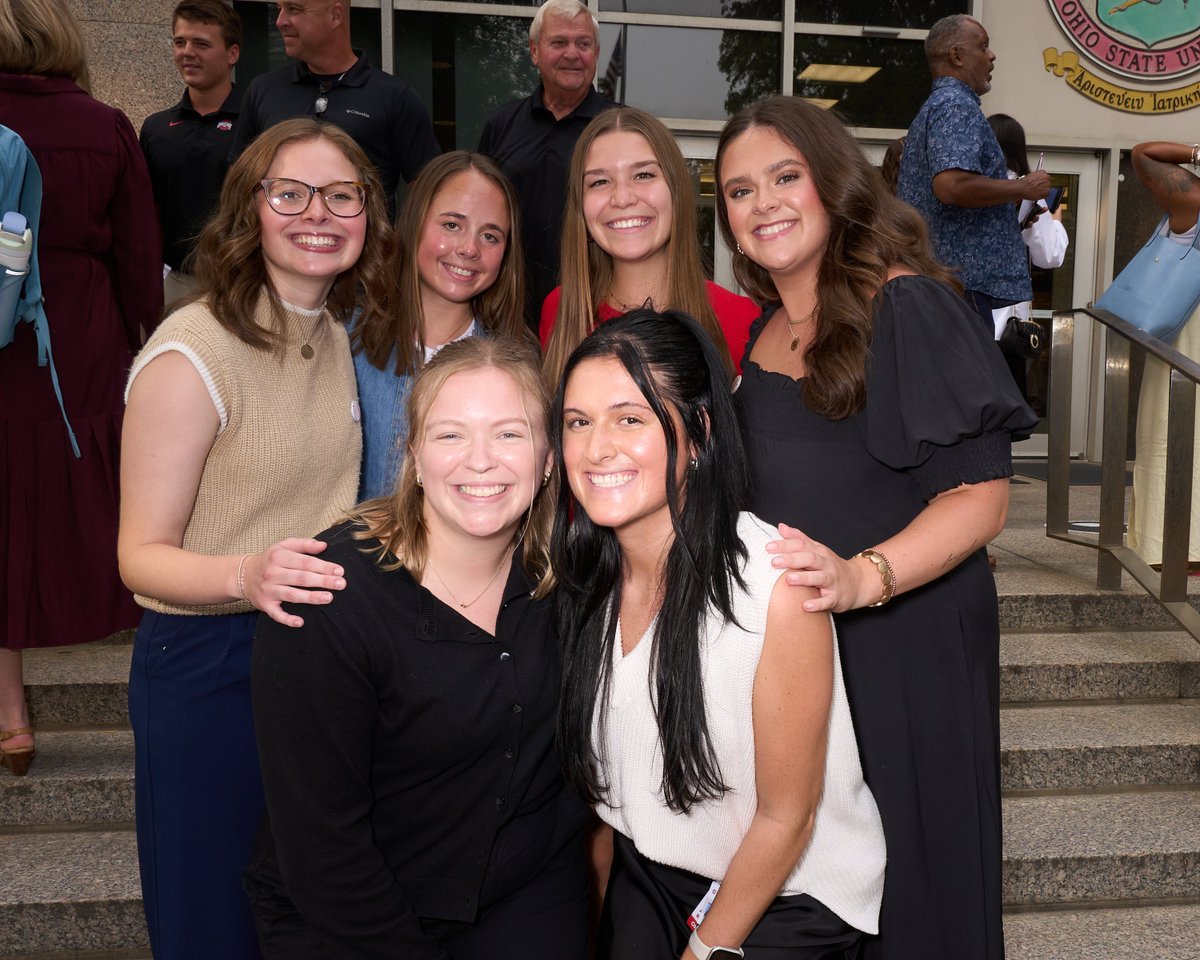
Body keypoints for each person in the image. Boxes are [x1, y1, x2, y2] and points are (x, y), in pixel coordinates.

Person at [715, 95, 1037, 960]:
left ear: (833, 183)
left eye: (786, 177)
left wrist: (864, 577)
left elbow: (981, 495)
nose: (766, 202)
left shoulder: (906, 306)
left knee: (911, 897)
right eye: (740, 190)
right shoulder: (765, 330)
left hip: (905, 645)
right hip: (811, 649)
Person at [119, 118, 392, 959]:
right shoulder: (192, 350)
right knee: (212, 921)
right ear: (252, 210)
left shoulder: (334, 334)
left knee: (294, 913)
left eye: (341, 195)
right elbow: (138, 555)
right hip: (205, 664)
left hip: (306, 659)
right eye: (292, 193)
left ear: (368, 215)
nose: (319, 212)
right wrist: (249, 574)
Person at [553, 310, 886, 959]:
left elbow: (787, 819)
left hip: (787, 894)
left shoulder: (775, 589)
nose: (597, 449)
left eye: (630, 418)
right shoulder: (583, 577)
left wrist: (705, 951)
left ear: (698, 433)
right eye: (577, 422)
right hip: (656, 871)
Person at [245, 335, 590, 960]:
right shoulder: (328, 597)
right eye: (451, 434)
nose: (479, 461)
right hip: (349, 914)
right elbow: (323, 848)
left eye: (510, 434)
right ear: (414, 454)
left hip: (520, 892)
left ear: (548, 460)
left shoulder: (568, 580)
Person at [0, 0, 162, 777]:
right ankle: (148, 683)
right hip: (79, 338)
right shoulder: (105, 127)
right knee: (98, 494)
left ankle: (10, 714)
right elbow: (139, 259)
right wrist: (145, 340)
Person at [353, 150, 526, 501]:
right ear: (416, 221)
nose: (469, 248)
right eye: (452, 225)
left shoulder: (516, 368)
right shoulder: (344, 338)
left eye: (490, 236)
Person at [541, 107, 757, 385]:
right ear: (580, 209)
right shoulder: (560, 311)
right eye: (599, 181)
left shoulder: (743, 321)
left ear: (676, 190)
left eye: (643, 175)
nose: (622, 198)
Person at [896, 14, 1050, 337]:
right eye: (984, 46)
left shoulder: (939, 106)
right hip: (958, 288)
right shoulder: (955, 105)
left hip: (944, 282)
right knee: (966, 386)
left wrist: (1012, 213)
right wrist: (1021, 186)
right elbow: (951, 185)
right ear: (956, 56)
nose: (992, 56)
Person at [478, 0, 615, 329]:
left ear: (596, 55)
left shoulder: (617, 127)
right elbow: (479, 211)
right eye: (559, 42)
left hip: (591, 305)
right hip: (507, 307)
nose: (572, 53)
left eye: (583, 44)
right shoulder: (503, 124)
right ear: (535, 51)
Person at [231, 0, 439, 215]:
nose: (280, 21)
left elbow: (432, 194)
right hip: (279, 245)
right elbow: (238, 186)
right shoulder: (263, 91)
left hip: (364, 247)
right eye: (279, 9)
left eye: (293, 9)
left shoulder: (395, 97)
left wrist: (401, 246)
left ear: (335, 16)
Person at [1126, 140, 1200, 567]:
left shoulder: (1191, 199)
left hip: (1186, 336)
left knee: (1170, 433)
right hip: (1185, 334)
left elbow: (1144, 154)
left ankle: (1167, 548)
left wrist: (1195, 152)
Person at [140, 0, 243, 304]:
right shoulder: (156, 129)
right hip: (178, 283)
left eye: (201, 44)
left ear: (232, 54)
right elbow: (144, 213)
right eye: (180, 42)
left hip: (246, 284)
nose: (187, 52)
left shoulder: (258, 122)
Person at [987, 112, 1068, 397]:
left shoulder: (970, 190)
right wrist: (1055, 218)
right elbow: (1050, 256)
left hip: (965, 319)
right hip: (1009, 328)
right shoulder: (1027, 191)